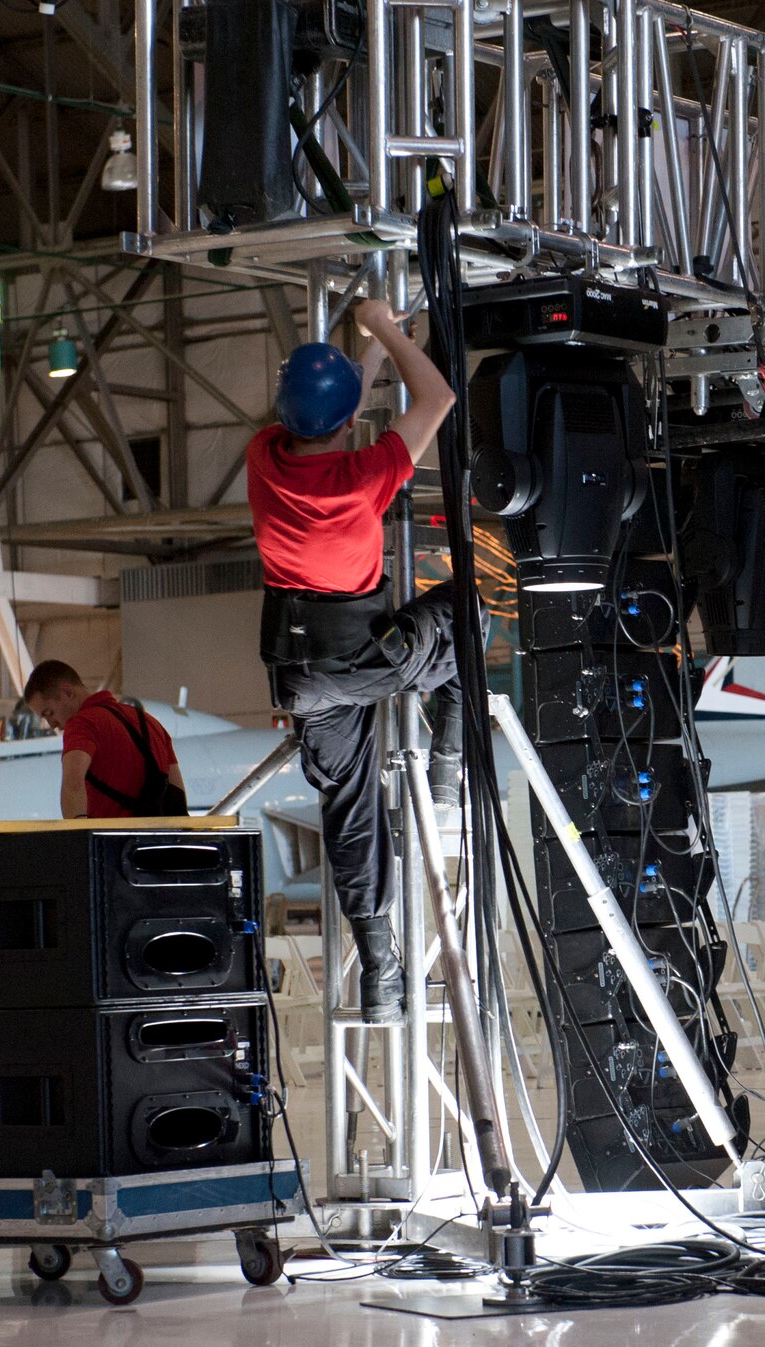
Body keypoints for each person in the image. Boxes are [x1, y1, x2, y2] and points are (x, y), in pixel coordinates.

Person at [248, 297, 463, 1024]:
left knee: (349, 806)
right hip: (367, 656)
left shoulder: (264, 460)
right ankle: (447, 775)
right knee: (466, 611)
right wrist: (386, 329)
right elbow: (437, 395)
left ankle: (380, 970)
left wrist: (364, 355)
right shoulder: (364, 477)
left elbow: (328, 412)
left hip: (298, 673)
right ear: (347, 424)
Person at [21, 660, 188, 819]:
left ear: (68, 692)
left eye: (49, 713)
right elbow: (177, 793)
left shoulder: (81, 723)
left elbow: (73, 783)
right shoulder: (151, 723)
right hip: (156, 843)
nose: (52, 725)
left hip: (111, 844)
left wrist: (78, 839)